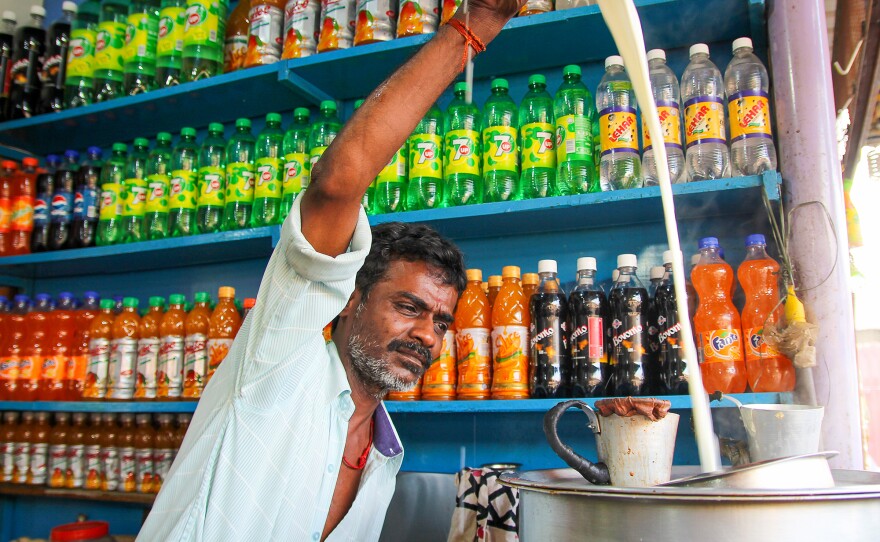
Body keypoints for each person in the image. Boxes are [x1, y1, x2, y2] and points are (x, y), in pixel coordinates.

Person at [137, 0, 525, 539]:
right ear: (350, 297)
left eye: (440, 321)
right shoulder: (280, 363)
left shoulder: (384, 457)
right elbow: (339, 181)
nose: (426, 335)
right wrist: (478, 22)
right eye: (408, 307)